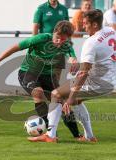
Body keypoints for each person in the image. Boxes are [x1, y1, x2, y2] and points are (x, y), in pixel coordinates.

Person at [28, 9, 116, 143]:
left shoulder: (91, 42)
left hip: (97, 82)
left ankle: (50, 135)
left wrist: (70, 98)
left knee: (56, 94)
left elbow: (83, 73)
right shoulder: (111, 31)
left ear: (94, 25)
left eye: (86, 23)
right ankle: (89, 137)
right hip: (110, 81)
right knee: (77, 101)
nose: (83, 26)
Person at [0, 21, 84, 139]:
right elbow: (14, 48)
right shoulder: (41, 38)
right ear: (53, 33)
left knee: (62, 103)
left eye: (63, 40)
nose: (59, 42)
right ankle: (50, 133)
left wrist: (73, 60)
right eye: (57, 38)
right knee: (38, 93)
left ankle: (77, 136)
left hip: (48, 76)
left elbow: (72, 56)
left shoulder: (66, 45)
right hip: (29, 72)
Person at [32, 0, 82, 138]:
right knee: (43, 94)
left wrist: (71, 53)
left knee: (58, 93)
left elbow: (68, 30)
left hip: (59, 52)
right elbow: (35, 30)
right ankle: (51, 130)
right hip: (45, 52)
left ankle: (71, 133)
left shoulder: (63, 9)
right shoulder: (41, 9)